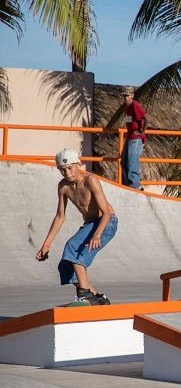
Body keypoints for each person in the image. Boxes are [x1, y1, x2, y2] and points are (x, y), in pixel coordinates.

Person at [36, 148, 118, 305]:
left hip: (106, 223)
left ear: (78, 164)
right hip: (89, 225)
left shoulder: (90, 180)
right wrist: (46, 245)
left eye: (70, 168)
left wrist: (97, 234)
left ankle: (84, 295)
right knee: (66, 267)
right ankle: (99, 299)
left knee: (72, 247)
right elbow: (60, 216)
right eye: (62, 170)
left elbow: (106, 213)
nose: (67, 173)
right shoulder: (63, 187)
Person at [120, 85, 147, 190]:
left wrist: (142, 132)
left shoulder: (134, 105)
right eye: (124, 96)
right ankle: (131, 185)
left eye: (127, 96)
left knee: (132, 162)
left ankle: (135, 186)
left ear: (132, 95)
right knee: (123, 162)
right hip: (130, 137)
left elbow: (145, 118)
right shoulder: (126, 107)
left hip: (135, 138)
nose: (126, 98)